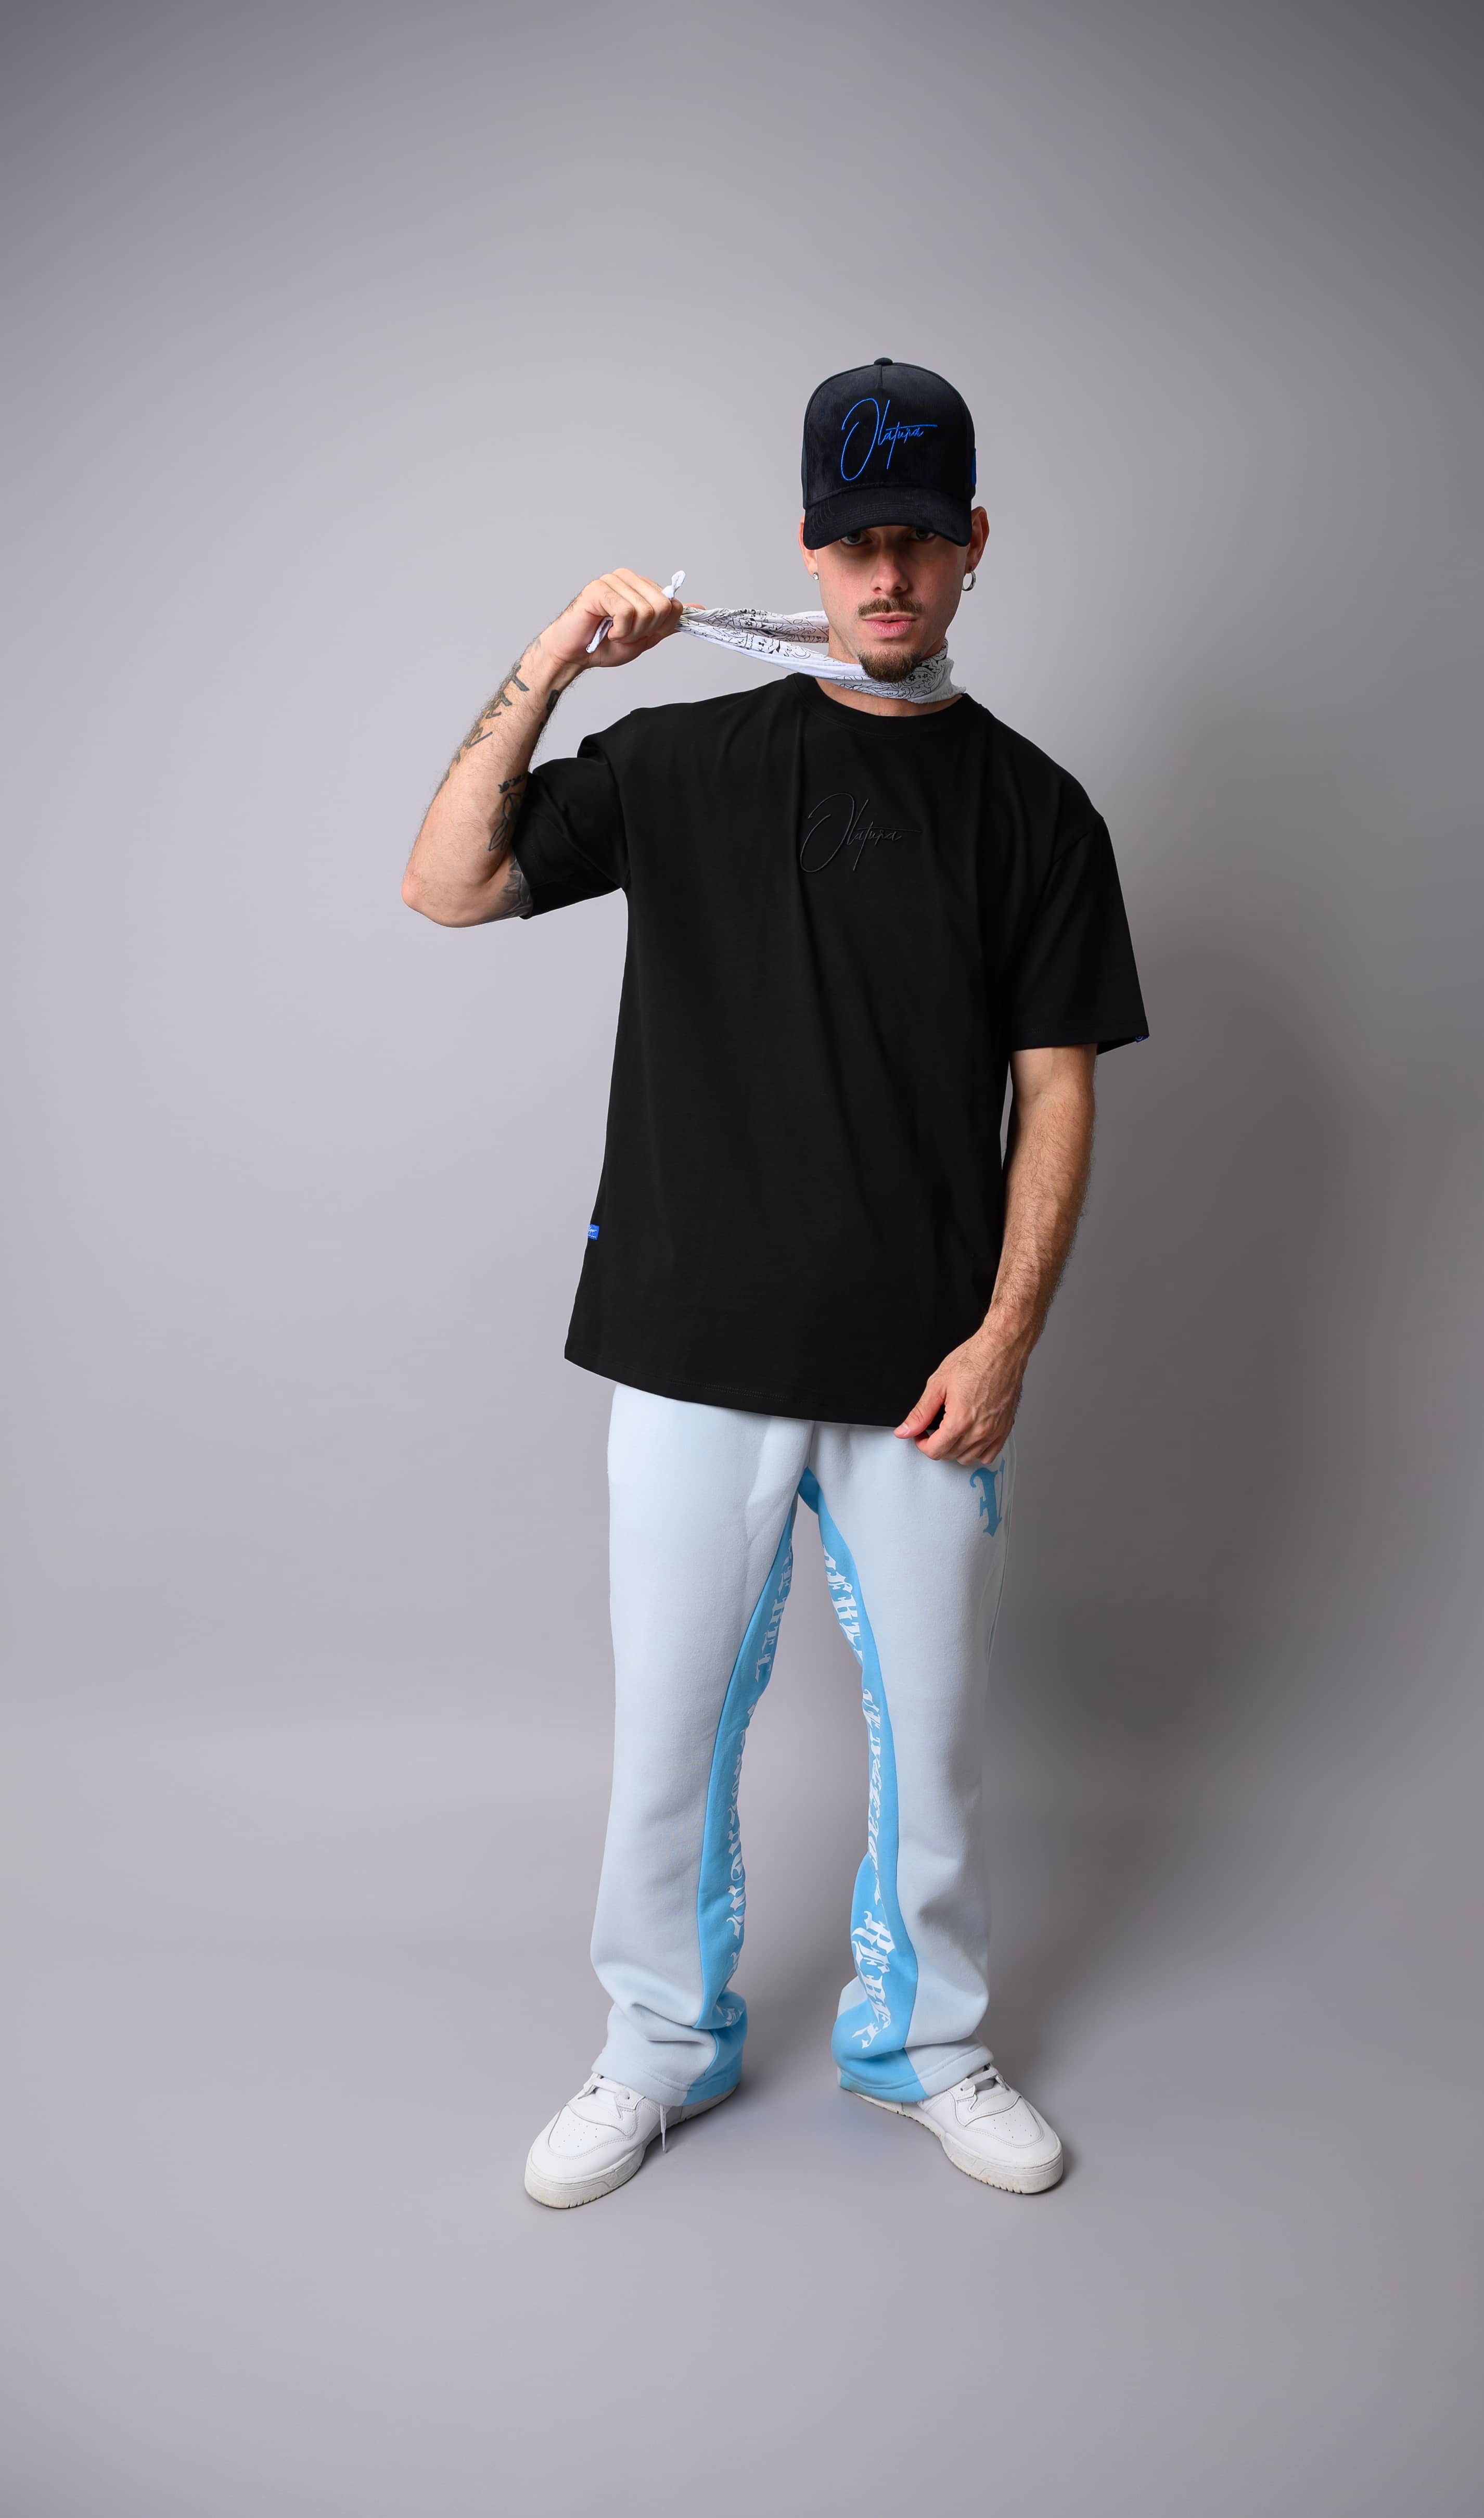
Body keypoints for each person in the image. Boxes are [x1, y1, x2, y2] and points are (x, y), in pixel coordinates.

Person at [402, 359, 1148, 2205]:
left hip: (924, 1369)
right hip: (689, 1344)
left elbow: (1055, 1092)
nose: (886, 573)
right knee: (670, 1737)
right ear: (806, 549)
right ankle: (655, 2047)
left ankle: (927, 2047)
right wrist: (553, 663)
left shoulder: (1035, 810)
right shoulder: (678, 763)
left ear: (972, 545)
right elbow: (448, 884)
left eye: (919, 540)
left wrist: (1007, 1338)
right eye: (855, 540)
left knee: (936, 1750)